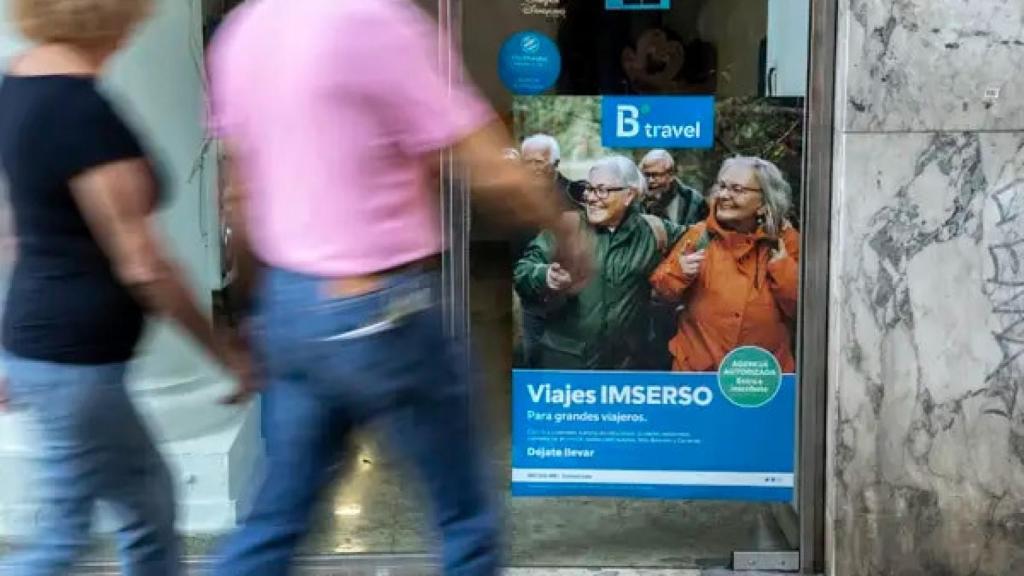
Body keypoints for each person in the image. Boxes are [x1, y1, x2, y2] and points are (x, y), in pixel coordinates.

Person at [206, 1, 593, 574]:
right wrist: (563, 225)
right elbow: (486, 165)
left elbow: (239, 197)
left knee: (273, 523)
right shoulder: (375, 21)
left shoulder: (245, 31)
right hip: (382, 313)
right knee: (465, 521)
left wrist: (246, 315)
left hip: (291, 308)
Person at [0, 0, 252, 574]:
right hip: (76, 363)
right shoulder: (79, 111)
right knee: (71, 533)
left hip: (47, 352)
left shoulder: (16, 85)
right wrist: (223, 353)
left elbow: (15, 230)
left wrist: (10, 345)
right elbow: (144, 265)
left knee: (144, 507)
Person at [514, 155, 682, 370]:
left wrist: (677, 268)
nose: (591, 198)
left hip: (627, 369)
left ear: (628, 195)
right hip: (567, 366)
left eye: (601, 190)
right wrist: (545, 275)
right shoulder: (567, 226)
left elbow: (702, 240)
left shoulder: (655, 232)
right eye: (589, 189)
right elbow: (523, 270)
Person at [650, 156, 800, 372]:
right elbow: (659, 294)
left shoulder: (786, 241)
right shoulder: (700, 235)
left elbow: (804, 311)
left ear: (763, 202)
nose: (724, 195)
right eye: (722, 186)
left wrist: (782, 268)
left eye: (737, 189)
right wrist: (678, 273)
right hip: (699, 377)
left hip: (759, 380)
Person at [515, 134, 578, 368]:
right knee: (533, 354)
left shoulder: (576, 196)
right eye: (527, 162)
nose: (532, 168)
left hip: (570, 296)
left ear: (556, 164)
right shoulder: (513, 200)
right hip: (532, 292)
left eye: (539, 162)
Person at [640, 149, 708, 226]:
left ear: (671, 175)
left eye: (656, 175)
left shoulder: (693, 201)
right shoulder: (636, 199)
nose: (650, 180)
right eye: (646, 175)